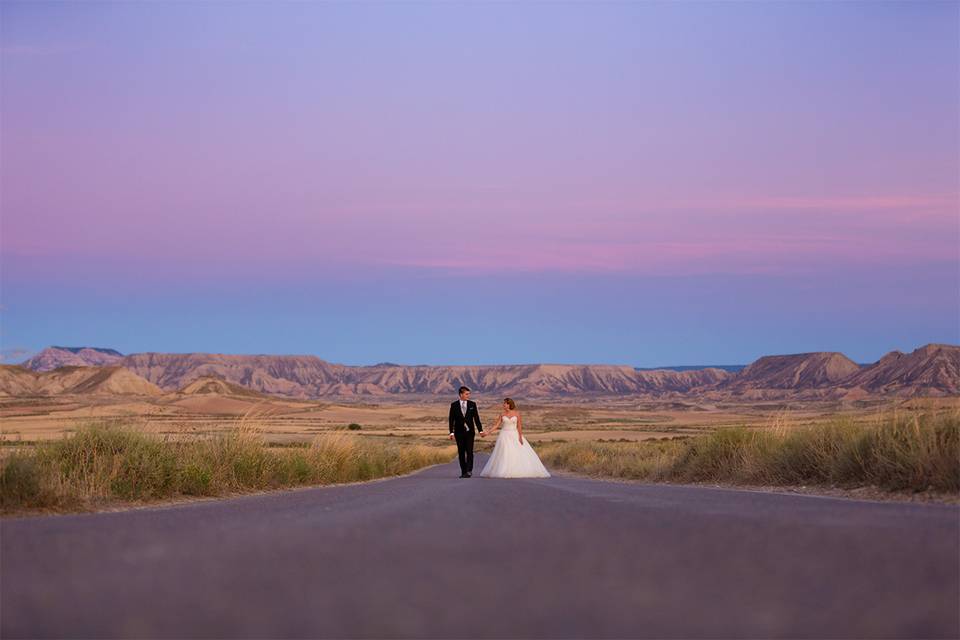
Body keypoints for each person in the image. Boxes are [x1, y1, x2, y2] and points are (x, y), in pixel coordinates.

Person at [479, 398, 550, 478]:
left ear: (509, 404)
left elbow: (519, 426)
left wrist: (520, 437)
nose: (504, 405)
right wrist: (487, 433)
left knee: (516, 452)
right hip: (504, 435)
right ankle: (504, 470)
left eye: (505, 403)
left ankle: (517, 469)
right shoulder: (502, 414)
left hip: (514, 434)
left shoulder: (517, 414)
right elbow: (496, 426)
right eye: (504, 403)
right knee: (505, 452)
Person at [448, 386, 484, 478]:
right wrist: (451, 432)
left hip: (470, 432)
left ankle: (469, 470)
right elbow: (451, 420)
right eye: (466, 394)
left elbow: (476, 418)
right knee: (461, 452)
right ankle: (463, 472)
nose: (468, 395)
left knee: (469, 452)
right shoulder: (454, 405)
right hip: (459, 433)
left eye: (469, 394)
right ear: (461, 394)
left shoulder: (472, 404)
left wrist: (480, 430)